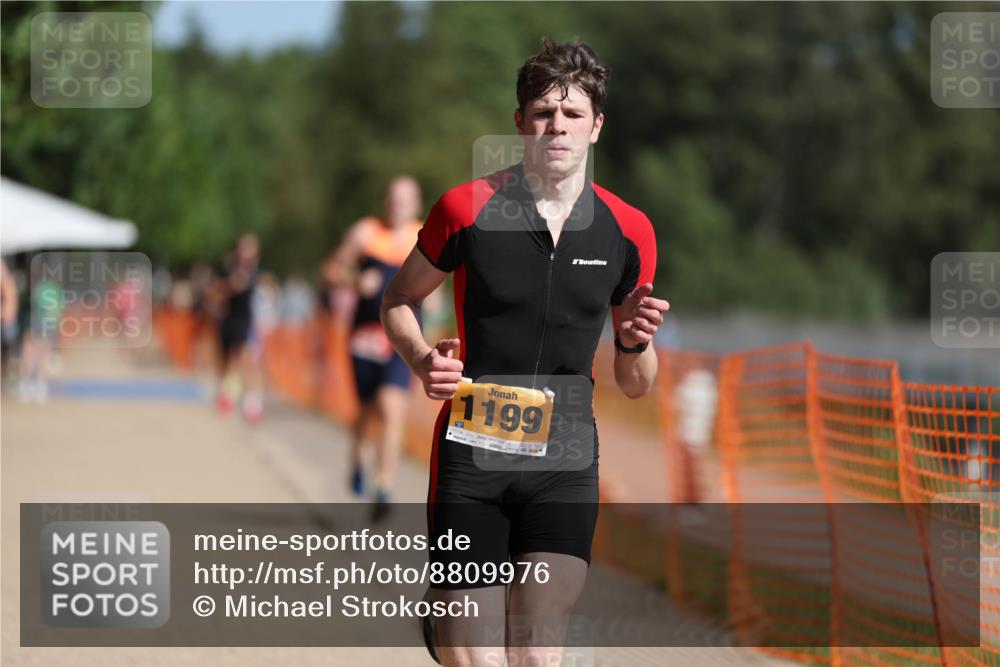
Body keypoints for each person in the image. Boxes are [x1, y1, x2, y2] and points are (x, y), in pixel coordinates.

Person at [381, 40, 670, 667]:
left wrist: (634, 341)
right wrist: (422, 358)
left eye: (572, 115)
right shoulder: (466, 209)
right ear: (520, 122)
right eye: (542, 112)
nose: (556, 127)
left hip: (564, 459)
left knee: (537, 651)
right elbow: (398, 301)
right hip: (473, 454)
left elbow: (638, 380)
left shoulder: (629, 231)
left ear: (596, 126)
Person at [324, 176, 424, 521]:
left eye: (404, 200)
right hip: (365, 336)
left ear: (415, 204)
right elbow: (331, 269)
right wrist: (353, 280)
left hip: (404, 337)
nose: (397, 205)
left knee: (391, 406)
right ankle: (357, 458)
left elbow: (436, 288)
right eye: (393, 199)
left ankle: (384, 486)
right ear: (385, 201)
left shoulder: (422, 236)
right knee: (366, 410)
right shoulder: (365, 233)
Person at [213, 233, 264, 423]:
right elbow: (215, 293)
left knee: (246, 361)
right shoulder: (227, 269)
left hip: (246, 322)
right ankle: (228, 395)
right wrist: (229, 287)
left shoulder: (257, 272)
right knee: (229, 362)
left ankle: (253, 404)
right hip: (228, 321)